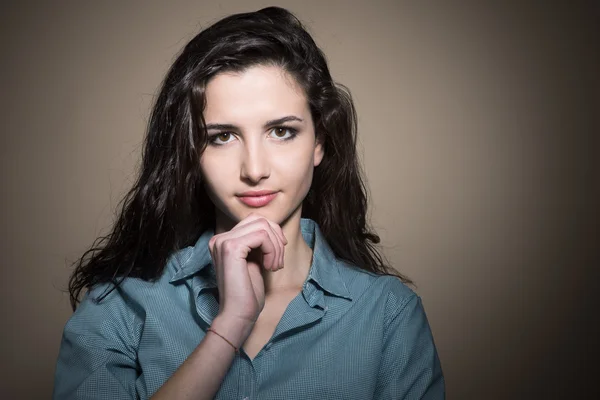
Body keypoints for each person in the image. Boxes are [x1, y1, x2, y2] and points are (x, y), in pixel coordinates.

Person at [53, 6, 445, 399]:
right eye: (222, 137)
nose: (254, 169)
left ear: (319, 142)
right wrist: (230, 326)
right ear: (191, 151)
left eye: (281, 131)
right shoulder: (124, 302)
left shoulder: (386, 313)